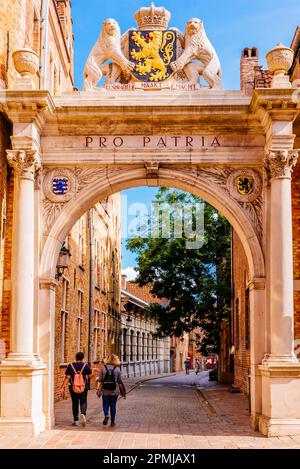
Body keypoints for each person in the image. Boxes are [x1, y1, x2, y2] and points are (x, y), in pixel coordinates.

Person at [60, 352, 92, 427]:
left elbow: (67, 377)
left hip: (73, 387)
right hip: (83, 387)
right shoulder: (86, 365)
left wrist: (62, 387)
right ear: (82, 358)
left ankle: (76, 420)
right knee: (83, 401)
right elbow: (90, 376)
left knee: (75, 403)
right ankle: (83, 413)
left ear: (76, 358)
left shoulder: (70, 366)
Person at [96, 354, 125, 427]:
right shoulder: (118, 369)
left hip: (105, 389)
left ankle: (106, 415)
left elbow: (100, 380)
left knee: (105, 404)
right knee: (113, 405)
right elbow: (119, 381)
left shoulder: (103, 368)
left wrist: (97, 389)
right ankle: (112, 422)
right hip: (114, 389)